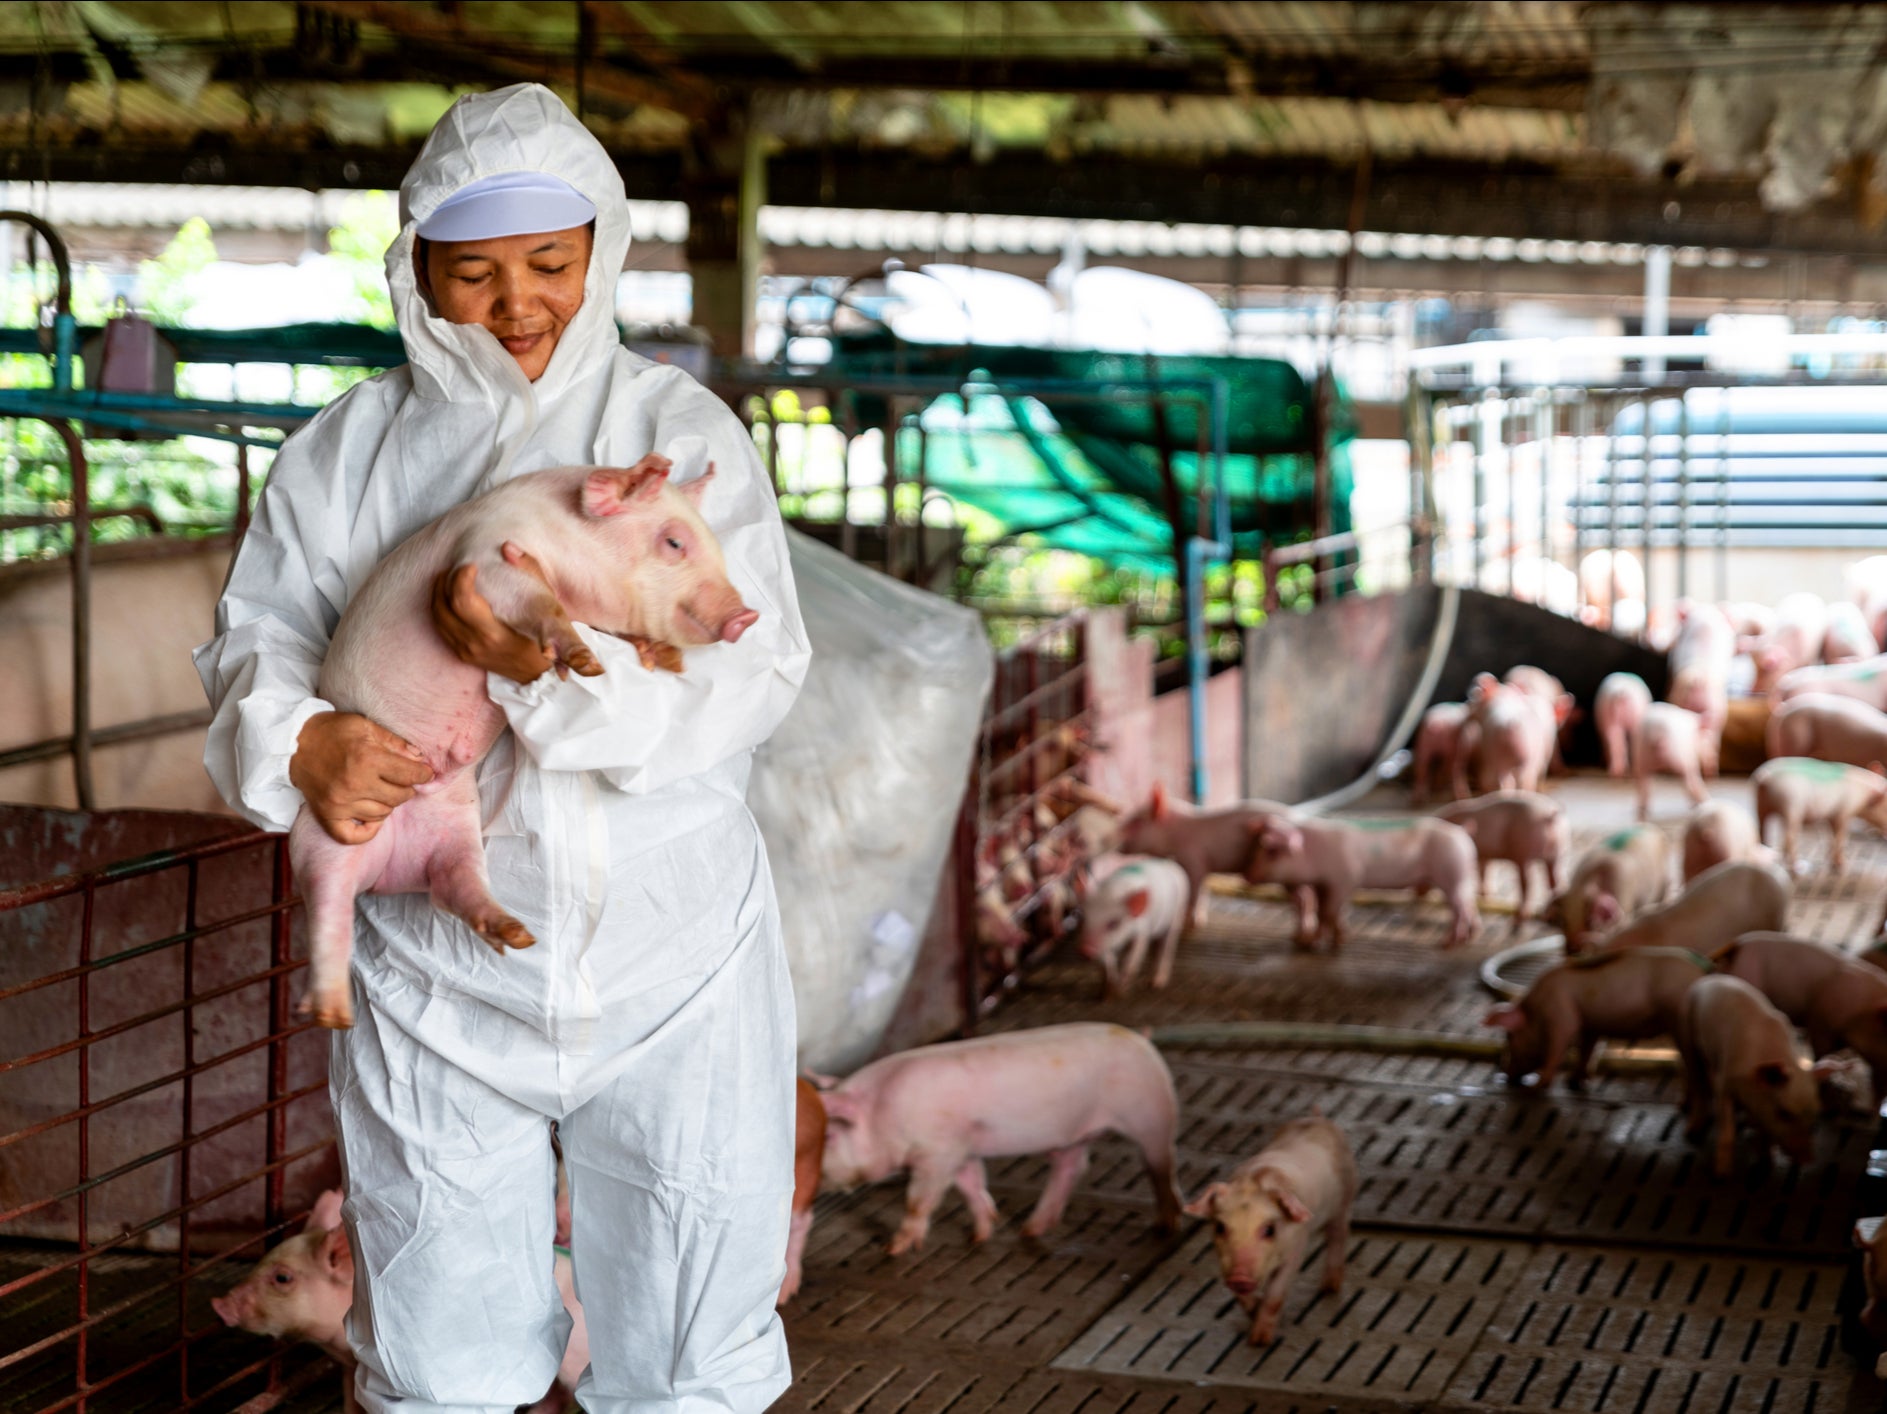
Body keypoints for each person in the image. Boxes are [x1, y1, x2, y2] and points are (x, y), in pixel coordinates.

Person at [194, 84, 810, 1413]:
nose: (517, 300)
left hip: (672, 955)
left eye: (549, 263)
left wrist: (553, 684)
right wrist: (302, 743)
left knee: (694, 1332)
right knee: (437, 1344)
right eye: (472, 272)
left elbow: (752, 671)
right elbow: (256, 642)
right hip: (437, 977)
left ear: (603, 253)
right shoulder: (347, 455)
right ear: (417, 270)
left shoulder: (681, 441)